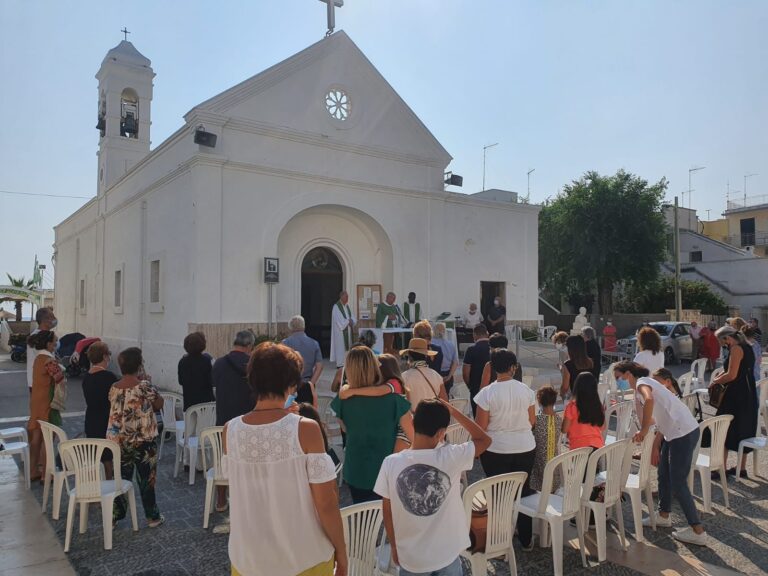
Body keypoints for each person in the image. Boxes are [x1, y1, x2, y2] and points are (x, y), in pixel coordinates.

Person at [222, 342, 348, 576]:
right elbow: (326, 503)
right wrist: (341, 550)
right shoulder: (305, 429)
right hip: (302, 557)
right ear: (292, 384)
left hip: (248, 558)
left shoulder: (230, 430)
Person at [374, 399, 491, 576]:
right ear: (441, 433)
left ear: (413, 422)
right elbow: (484, 439)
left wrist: (394, 546)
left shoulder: (391, 463)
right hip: (447, 552)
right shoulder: (451, 456)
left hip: (412, 556)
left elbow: (387, 511)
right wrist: (453, 411)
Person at [614, 361, 709, 546]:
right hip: (675, 433)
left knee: (678, 482)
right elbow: (651, 416)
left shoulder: (642, 382)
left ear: (628, 374)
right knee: (663, 473)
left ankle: (697, 530)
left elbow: (649, 401)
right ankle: (663, 515)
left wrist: (642, 431)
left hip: (682, 433)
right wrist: (643, 432)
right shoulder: (641, 388)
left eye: (620, 377)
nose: (619, 382)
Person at [330, 346, 413, 503]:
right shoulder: (395, 400)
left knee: (363, 517)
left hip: (356, 468)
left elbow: (345, 428)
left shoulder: (342, 400)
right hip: (386, 469)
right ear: (374, 367)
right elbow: (413, 436)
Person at [474, 348, 536, 550]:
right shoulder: (526, 390)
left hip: (496, 450)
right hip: (525, 446)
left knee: (497, 494)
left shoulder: (486, 393)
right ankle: (526, 538)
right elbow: (532, 421)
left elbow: (480, 428)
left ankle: (499, 541)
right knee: (523, 491)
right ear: (513, 368)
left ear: (492, 368)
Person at [107, 347, 165, 528]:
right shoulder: (144, 386)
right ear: (139, 365)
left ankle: (115, 516)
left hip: (119, 440)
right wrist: (147, 382)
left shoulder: (114, 388)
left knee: (121, 479)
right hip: (143, 439)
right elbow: (159, 404)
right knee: (147, 479)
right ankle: (152, 517)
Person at [212, 330, 256, 511]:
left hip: (224, 419)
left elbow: (214, 384)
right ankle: (246, 500)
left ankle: (221, 500)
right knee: (249, 461)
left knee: (223, 459)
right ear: (249, 346)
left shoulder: (219, 363)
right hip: (247, 419)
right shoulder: (253, 365)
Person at [338, 353, 412, 453]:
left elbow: (378, 391)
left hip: (402, 432)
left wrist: (352, 391)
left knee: (392, 462)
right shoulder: (393, 384)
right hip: (395, 429)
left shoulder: (394, 383)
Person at [711, 326, 758, 479]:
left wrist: (715, 381)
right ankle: (741, 468)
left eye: (723, 342)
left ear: (728, 338)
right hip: (747, 392)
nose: (724, 345)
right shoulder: (748, 346)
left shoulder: (736, 349)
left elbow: (731, 375)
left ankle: (721, 468)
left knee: (723, 428)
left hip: (736, 394)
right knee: (743, 428)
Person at [27, 330, 64, 481]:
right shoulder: (49, 360)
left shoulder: (38, 358)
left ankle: (33, 470)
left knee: (36, 438)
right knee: (47, 438)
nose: (56, 344)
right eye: (55, 341)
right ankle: (46, 474)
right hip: (47, 403)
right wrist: (62, 368)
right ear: (48, 344)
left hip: (36, 401)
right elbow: (59, 378)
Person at [82, 341, 118, 479]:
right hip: (105, 419)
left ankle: (95, 484)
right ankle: (110, 487)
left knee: (96, 455)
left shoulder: (87, 377)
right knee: (108, 457)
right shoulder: (108, 377)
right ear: (104, 356)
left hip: (91, 418)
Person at [283, 315, 323, 407]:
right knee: (308, 414)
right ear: (304, 326)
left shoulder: (285, 343)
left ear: (290, 327)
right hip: (307, 383)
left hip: (289, 385)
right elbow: (319, 366)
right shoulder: (314, 343)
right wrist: (311, 383)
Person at [401, 338, 448, 412]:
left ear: (409, 356)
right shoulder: (436, 375)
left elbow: (403, 406)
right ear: (426, 356)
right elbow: (445, 402)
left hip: (415, 420)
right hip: (433, 419)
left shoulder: (404, 377)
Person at [562, 372, 605, 450]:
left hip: (578, 448)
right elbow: (603, 427)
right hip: (597, 446)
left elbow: (564, 429)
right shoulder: (598, 406)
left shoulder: (572, 407)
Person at [530, 386, 562, 492]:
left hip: (539, 464)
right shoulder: (558, 419)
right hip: (555, 463)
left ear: (539, 401)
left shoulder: (536, 420)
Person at [177, 332, 215, 411]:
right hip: (205, 403)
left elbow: (181, 381)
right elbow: (211, 381)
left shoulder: (182, 362)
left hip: (189, 404)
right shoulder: (206, 360)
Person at [26, 307, 57, 391]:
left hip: (44, 381)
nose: (55, 319)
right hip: (39, 382)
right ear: (45, 320)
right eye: (52, 316)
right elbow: (46, 360)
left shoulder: (45, 335)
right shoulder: (38, 338)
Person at [462, 324, 490, 415]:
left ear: (474, 335)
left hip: (476, 389)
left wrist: (470, 386)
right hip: (493, 389)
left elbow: (465, 372)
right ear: (487, 334)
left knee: (478, 419)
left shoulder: (471, 349)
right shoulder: (494, 349)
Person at [330, 291, 356, 370]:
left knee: (348, 347)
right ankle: (340, 364)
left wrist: (352, 321)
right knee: (340, 347)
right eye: (346, 297)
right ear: (341, 297)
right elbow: (339, 320)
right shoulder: (336, 307)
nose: (347, 298)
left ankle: (347, 362)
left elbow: (352, 316)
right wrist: (348, 321)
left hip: (348, 330)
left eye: (347, 297)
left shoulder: (347, 306)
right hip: (340, 332)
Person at [432, 322, 458, 394]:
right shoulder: (450, 344)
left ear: (433, 331)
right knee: (446, 399)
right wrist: (449, 376)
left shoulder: (431, 344)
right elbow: (455, 362)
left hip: (434, 373)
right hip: (447, 374)